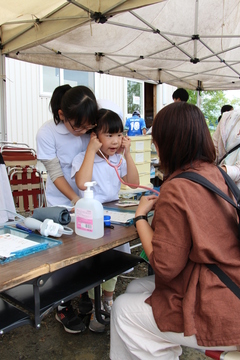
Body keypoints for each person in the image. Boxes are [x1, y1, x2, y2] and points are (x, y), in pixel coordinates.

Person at [110, 102, 240, 359]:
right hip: (229, 279)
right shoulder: (216, 173)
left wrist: (140, 217)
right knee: (135, 288)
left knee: (123, 309)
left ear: (165, 144)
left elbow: (165, 266)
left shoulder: (176, 187)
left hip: (224, 307)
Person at [36, 84, 98, 334]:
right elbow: (55, 173)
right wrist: (76, 200)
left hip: (89, 199)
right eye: (78, 127)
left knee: (88, 251)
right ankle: (62, 305)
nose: (83, 131)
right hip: (62, 203)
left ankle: (84, 293)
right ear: (62, 115)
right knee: (64, 256)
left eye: (88, 127)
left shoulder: (87, 124)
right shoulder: (47, 133)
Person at [72, 108, 139, 333]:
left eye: (118, 134)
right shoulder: (82, 158)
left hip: (115, 219)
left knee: (114, 261)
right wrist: (91, 150)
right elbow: (82, 183)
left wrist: (127, 154)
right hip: (91, 221)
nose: (115, 140)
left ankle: (107, 302)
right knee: (95, 265)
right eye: (109, 135)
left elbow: (133, 183)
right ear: (94, 136)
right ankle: (93, 306)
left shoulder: (118, 159)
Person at [213, 108, 240, 189]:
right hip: (217, 186)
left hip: (236, 192)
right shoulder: (227, 117)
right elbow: (214, 152)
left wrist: (214, 172)